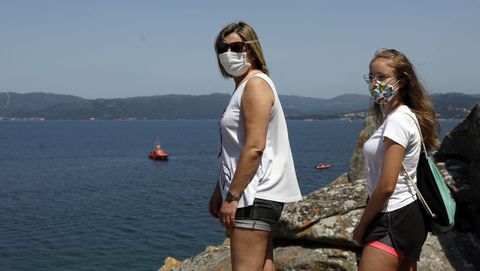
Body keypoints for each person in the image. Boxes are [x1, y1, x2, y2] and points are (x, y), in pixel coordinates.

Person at [208, 21, 302, 271]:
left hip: (254, 195)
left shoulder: (255, 85)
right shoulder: (243, 87)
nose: (228, 53)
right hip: (253, 194)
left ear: (252, 49)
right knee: (264, 265)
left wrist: (232, 197)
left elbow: (254, 147)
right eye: (222, 48)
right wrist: (220, 189)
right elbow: (236, 149)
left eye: (236, 46)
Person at [353, 48, 440, 270]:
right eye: (371, 77)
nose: (374, 83)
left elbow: (386, 185)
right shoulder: (403, 117)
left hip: (393, 216)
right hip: (408, 216)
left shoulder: (397, 121)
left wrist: (362, 226)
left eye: (381, 77)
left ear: (401, 81)